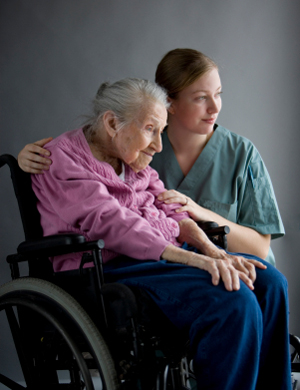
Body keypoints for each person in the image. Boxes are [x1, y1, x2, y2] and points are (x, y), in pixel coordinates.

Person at [27, 77, 290, 389]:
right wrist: (197, 262)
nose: (158, 145)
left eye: (161, 131)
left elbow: (172, 211)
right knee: (232, 301)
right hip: (105, 269)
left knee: (271, 282)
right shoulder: (60, 158)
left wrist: (215, 252)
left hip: (160, 261)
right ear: (112, 122)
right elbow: (113, 223)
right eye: (151, 129)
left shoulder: (133, 158)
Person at [17, 49, 284, 266]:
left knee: (268, 284)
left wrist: (199, 214)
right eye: (201, 98)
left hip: (197, 255)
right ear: (170, 104)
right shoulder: (135, 147)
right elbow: (106, 209)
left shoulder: (241, 154)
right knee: (230, 300)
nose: (215, 108)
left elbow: (261, 247)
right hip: (152, 257)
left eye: (218, 95)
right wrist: (27, 157)